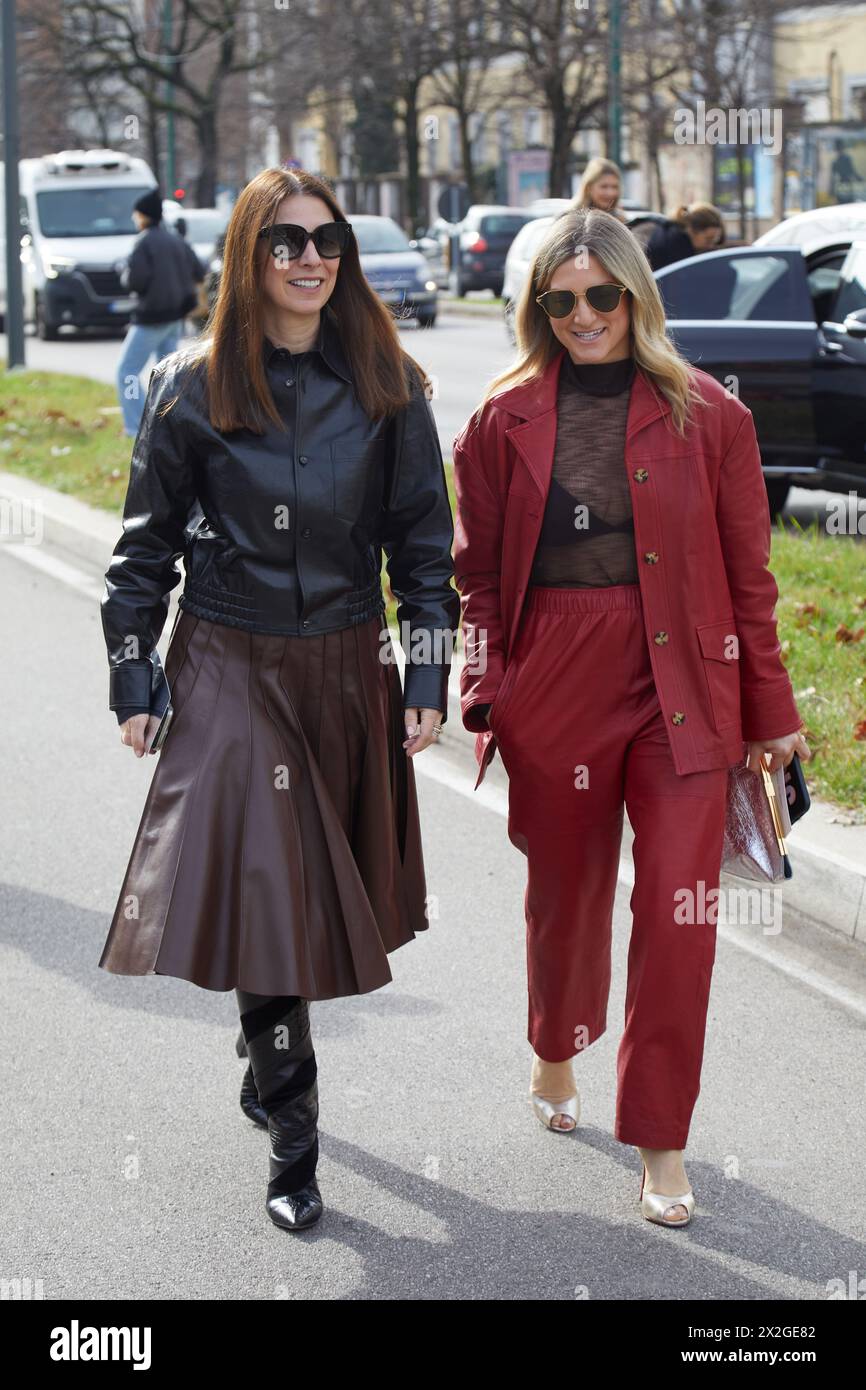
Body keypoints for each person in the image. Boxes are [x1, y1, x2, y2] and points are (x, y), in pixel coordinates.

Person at [99, 166, 460, 1232]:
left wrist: (425, 674)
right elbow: (139, 560)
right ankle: (295, 1151)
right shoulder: (188, 386)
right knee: (276, 901)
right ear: (248, 257)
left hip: (343, 667)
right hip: (226, 668)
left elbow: (425, 556)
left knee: (296, 906)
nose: (310, 258)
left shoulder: (389, 385)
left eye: (326, 242)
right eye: (286, 242)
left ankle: (265, 1064)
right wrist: (135, 677)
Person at [451, 207, 810, 1228]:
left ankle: (658, 1137)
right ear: (537, 309)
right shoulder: (498, 419)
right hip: (555, 673)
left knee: (675, 912)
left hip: (685, 685)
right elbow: (475, 575)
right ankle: (555, 1039)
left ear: (634, 296)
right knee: (564, 895)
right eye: (557, 302)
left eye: (600, 296)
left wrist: (768, 712)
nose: (581, 316)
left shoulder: (711, 417)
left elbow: (751, 580)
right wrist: (488, 687)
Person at [116, 187, 199, 437]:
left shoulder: (143, 243)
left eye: (135, 215)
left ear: (143, 216)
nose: (134, 219)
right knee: (169, 375)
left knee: (127, 372)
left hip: (151, 317)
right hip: (176, 316)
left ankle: (136, 426)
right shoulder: (176, 240)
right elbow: (198, 269)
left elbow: (136, 281)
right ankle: (170, 424)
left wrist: (124, 272)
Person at [645, 202, 724, 271]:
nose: (711, 245)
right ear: (691, 230)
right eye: (708, 239)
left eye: (716, 240)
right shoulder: (677, 249)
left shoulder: (667, 232)